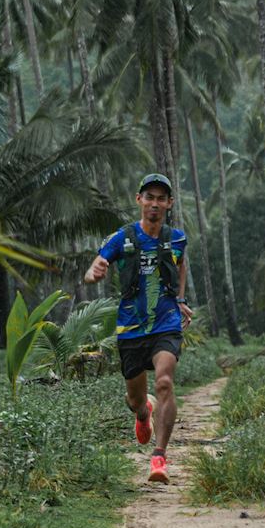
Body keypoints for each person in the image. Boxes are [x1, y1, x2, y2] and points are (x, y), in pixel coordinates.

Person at [85, 173, 194, 484]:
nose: (155, 204)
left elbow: (181, 262)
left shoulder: (176, 238)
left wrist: (180, 297)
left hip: (166, 324)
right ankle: (143, 412)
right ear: (139, 200)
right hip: (131, 328)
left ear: (169, 203)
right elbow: (94, 268)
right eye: (150, 197)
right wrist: (94, 273)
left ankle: (159, 457)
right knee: (135, 399)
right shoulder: (122, 238)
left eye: (161, 198)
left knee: (164, 382)